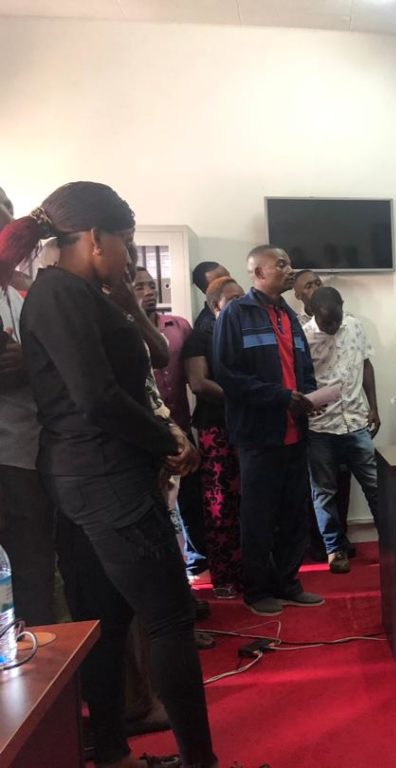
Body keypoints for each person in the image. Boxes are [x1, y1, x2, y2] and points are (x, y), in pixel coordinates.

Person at [8, 181, 218, 768]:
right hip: (104, 478)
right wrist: (168, 438)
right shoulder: (62, 294)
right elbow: (97, 398)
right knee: (171, 619)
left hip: (88, 475)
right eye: (125, 241)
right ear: (96, 238)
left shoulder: (68, 292)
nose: (128, 256)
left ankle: (111, 753)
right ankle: (200, 761)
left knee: (104, 622)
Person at [213, 245, 322, 617]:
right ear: (258, 272)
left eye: (289, 263)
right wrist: (280, 397)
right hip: (258, 435)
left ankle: (288, 583)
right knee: (258, 516)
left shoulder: (288, 314)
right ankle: (258, 591)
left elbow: (302, 367)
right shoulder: (235, 314)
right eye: (281, 264)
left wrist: (310, 396)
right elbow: (227, 374)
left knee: (294, 513)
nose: (290, 269)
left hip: (295, 431)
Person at [0, 187, 55, 627]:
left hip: (31, 450)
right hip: (7, 456)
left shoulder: (24, 291)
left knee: (35, 571)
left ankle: (42, 657)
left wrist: (32, 360)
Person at [133, 266, 207, 580]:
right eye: (140, 286)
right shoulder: (123, 330)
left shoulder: (178, 326)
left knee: (191, 499)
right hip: (149, 433)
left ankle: (198, 561)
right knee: (159, 504)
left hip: (182, 426)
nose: (149, 291)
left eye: (151, 285)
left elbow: (195, 374)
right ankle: (169, 572)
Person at [303, 286, 380, 575]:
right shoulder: (303, 336)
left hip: (356, 420)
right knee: (324, 491)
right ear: (313, 313)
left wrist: (374, 407)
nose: (333, 326)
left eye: (336, 319)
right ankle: (334, 549)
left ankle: (390, 542)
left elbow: (366, 366)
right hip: (320, 426)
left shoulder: (355, 326)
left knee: (375, 485)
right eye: (327, 322)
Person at [182, 275, 246, 599]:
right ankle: (225, 576)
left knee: (251, 501)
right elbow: (198, 383)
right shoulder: (200, 336)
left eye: (243, 298)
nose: (241, 304)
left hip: (248, 427)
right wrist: (243, 397)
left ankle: (254, 571)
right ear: (214, 306)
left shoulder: (247, 334)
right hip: (216, 429)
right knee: (221, 504)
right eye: (233, 300)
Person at [191, 261, 229, 336]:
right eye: (221, 283)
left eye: (229, 278)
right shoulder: (207, 325)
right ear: (206, 291)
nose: (231, 284)